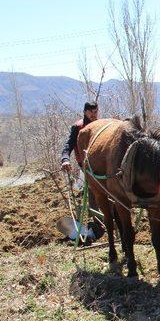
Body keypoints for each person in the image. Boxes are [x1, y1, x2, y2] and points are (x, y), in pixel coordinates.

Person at [60, 101, 104, 240]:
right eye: (91, 112)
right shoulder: (78, 127)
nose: (93, 115)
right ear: (85, 112)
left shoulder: (101, 125)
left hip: (102, 165)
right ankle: (97, 224)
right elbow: (68, 145)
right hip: (86, 166)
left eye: (95, 112)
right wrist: (65, 159)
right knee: (93, 193)